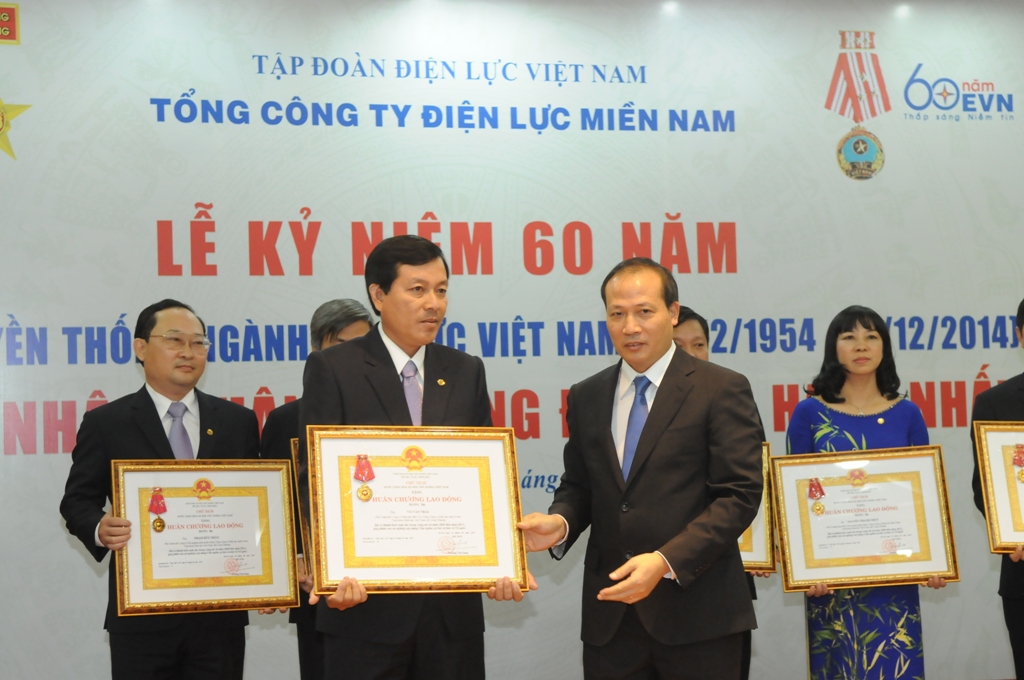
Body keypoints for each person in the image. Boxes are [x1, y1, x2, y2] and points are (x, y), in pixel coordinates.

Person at [297, 235, 531, 680]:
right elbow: (315, 479)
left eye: (441, 290)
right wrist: (332, 567)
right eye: (418, 289)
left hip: (451, 614)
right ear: (378, 295)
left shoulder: (465, 370)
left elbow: (486, 482)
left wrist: (503, 560)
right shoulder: (335, 368)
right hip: (363, 608)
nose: (433, 304)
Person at [519, 258, 764, 679]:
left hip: (699, 616)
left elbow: (739, 495)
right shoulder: (587, 395)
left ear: (673, 312)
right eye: (617, 314)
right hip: (612, 620)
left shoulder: (721, 388)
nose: (630, 326)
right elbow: (580, 486)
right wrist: (560, 522)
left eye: (644, 312)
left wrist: (665, 560)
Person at [59, 299, 260, 680]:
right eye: (174, 340)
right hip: (142, 615)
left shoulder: (238, 421)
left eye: (199, 343)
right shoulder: (107, 422)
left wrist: (269, 570)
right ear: (140, 348)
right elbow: (77, 501)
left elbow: (257, 506)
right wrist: (100, 528)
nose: (188, 352)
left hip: (219, 616)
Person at [786, 305, 945, 680]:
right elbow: (794, 499)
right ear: (833, 348)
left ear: (884, 347)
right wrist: (804, 568)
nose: (861, 345)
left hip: (894, 579)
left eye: (871, 336)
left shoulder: (908, 413)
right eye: (849, 337)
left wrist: (935, 559)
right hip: (830, 582)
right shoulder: (808, 413)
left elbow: (924, 495)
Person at [259, 298, 372, 680]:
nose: (353, 357)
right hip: (318, 595)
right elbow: (278, 509)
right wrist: (294, 558)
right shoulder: (286, 420)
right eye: (340, 346)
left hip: (392, 593)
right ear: (316, 352)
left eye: (363, 346)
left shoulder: (396, 418)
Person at [672, 306, 761, 680]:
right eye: (679, 346)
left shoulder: (729, 393)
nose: (692, 355)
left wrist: (770, 548)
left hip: (720, 590)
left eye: (699, 344)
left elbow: (745, 489)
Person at [971, 297, 1024, 678]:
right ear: (1021, 335)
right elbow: (984, 489)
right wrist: (1014, 532)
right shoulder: (995, 403)